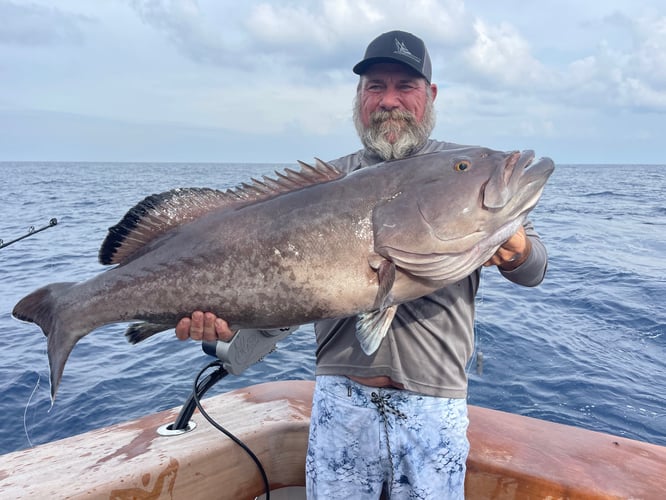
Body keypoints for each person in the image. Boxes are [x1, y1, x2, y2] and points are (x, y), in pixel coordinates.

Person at [175, 30, 548, 499]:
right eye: (375, 86)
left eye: (404, 87)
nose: (389, 101)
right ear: (359, 98)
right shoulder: (321, 185)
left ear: (429, 96)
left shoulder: (467, 169)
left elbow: (534, 269)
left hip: (435, 408)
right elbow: (280, 299)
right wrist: (226, 327)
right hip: (340, 404)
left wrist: (516, 250)